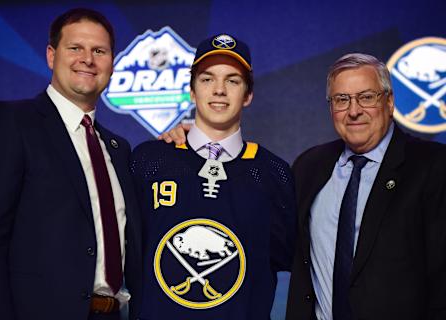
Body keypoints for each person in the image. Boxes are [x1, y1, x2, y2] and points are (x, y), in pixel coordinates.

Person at [0, 8, 141, 320]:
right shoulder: (12, 122)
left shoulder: (119, 148)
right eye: (75, 48)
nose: (87, 59)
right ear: (51, 55)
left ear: (112, 64)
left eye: (99, 51)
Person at [130, 34, 297, 319]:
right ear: (192, 91)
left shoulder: (274, 173)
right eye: (207, 79)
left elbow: (290, 260)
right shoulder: (149, 160)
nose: (219, 90)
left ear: (248, 95)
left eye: (232, 81)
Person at [286, 53, 446, 320]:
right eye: (342, 99)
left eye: (366, 97)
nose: (354, 110)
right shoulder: (308, 167)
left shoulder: (433, 167)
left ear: (390, 101)